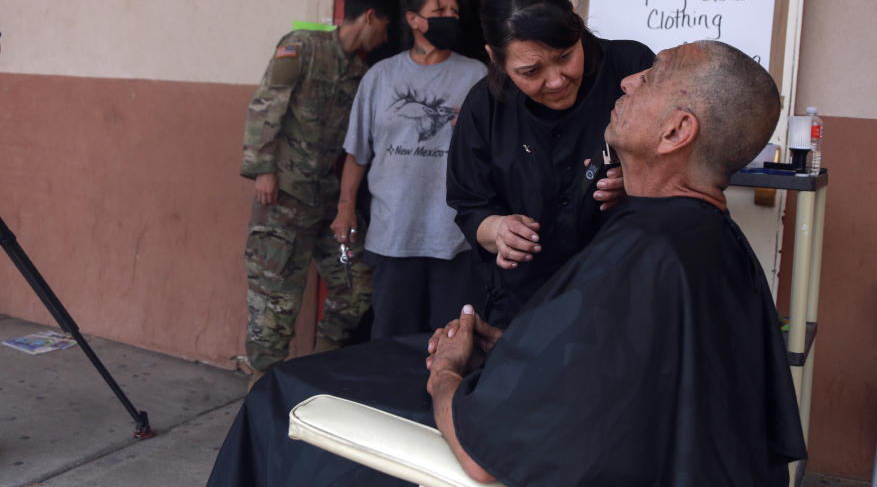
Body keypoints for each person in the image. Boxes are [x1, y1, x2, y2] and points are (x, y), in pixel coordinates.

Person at [207, 40, 805, 487]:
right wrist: (522, 343)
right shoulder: (714, 243)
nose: (625, 82)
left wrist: (448, 372)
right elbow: (631, 367)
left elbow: (487, 456)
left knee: (283, 394)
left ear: (676, 131)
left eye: (649, 80)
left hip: (518, 442)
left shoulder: (648, 251)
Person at [447, 0, 656, 327]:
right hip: (521, 307)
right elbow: (470, 206)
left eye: (565, 55)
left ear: (575, 24)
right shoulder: (484, 108)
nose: (557, 80)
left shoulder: (631, 71)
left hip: (622, 299)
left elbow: (681, 162)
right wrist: (498, 229)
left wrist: (642, 181)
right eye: (531, 71)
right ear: (495, 58)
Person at [241, 0, 390, 388]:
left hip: (326, 201)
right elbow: (267, 102)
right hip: (283, 195)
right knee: (275, 300)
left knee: (357, 283)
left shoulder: (359, 73)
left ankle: (318, 372)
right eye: (386, 27)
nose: (386, 39)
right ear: (371, 17)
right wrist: (264, 169)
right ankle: (260, 387)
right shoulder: (302, 46)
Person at [332, 0, 487, 339]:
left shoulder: (477, 76)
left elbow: (493, 153)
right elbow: (358, 152)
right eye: (440, 11)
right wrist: (345, 207)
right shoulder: (380, 77)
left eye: (454, 11)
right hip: (393, 232)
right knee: (390, 337)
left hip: (453, 234)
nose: (450, 17)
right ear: (414, 19)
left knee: (450, 338)